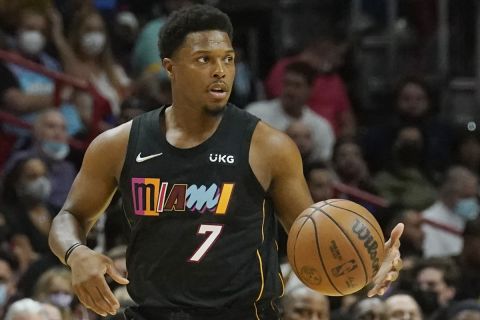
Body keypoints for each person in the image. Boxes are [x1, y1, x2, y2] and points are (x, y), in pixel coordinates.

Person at [48, 5, 404, 319]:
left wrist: (368, 269)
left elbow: (314, 242)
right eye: (204, 59)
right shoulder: (119, 144)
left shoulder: (269, 146)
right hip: (152, 312)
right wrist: (77, 252)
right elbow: (69, 217)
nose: (220, 70)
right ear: (170, 68)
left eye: (228, 59)